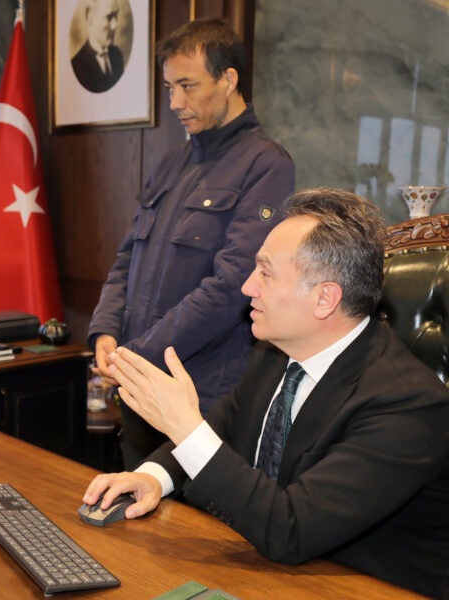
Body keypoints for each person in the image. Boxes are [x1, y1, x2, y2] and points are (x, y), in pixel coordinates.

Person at [83, 188, 449, 598]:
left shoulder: (409, 405)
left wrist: (183, 426)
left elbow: (291, 530)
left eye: (265, 273)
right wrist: (153, 477)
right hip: (266, 571)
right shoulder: (275, 353)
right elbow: (221, 431)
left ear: (324, 299)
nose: (248, 287)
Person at [88, 19, 294, 469]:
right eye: (169, 88)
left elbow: (232, 285)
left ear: (228, 80)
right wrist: (106, 331)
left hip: (201, 397)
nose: (175, 103)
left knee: (190, 515)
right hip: (139, 384)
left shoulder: (266, 165)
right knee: (133, 501)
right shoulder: (171, 161)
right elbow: (128, 258)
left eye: (187, 85)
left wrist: (135, 353)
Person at [70, 0, 125, 93]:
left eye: (116, 15)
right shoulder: (77, 66)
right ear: (90, 17)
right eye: (109, 17)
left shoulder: (117, 54)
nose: (115, 25)